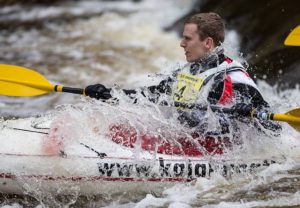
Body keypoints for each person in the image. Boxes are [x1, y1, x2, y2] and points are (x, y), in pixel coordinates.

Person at [84, 12, 281, 137]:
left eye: (187, 38)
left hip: (215, 155)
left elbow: (274, 129)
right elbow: (153, 96)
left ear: (208, 43)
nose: (181, 44)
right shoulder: (189, 70)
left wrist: (246, 116)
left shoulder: (234, 79)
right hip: (187, 140)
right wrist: (110, 94)